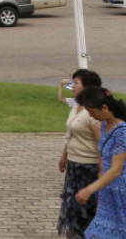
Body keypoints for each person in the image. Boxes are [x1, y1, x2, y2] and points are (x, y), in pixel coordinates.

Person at [74, 87, 126, 238]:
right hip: (107, 190)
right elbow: (104, 161)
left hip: (121, 192)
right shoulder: (104, 125)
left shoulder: (122, 132)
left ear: (104, 108)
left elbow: (116, 170)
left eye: (92, 111)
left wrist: (89, 190)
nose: (90, 115)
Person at [57, 69, 103, 237]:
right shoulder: (76, 105)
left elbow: (102, 145)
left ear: (87, 88)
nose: (72, 86)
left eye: (76, 83)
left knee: (83, 210)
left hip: (88, 168)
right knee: (71, 208)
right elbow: (71, 134)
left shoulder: (94, 113)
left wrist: (102, 171)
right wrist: (64, 157)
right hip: (73, 165)